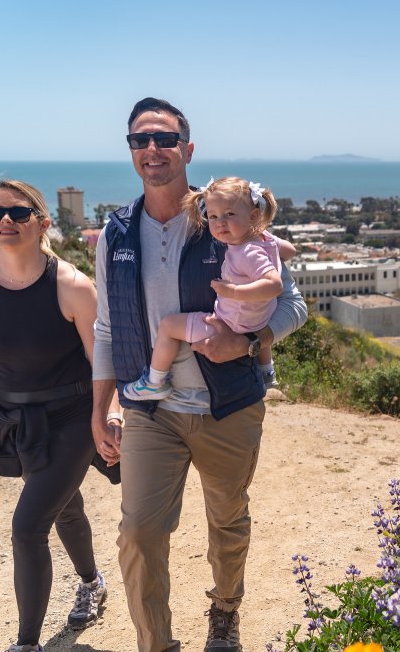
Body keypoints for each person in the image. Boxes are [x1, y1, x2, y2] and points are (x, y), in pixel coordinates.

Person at [91, 97, 307, 652]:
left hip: (227, 404)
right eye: (140, 140)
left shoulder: (227, 216)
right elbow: (108, 329)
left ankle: (225, 609)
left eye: (164, 138)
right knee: (138, 534)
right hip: (150, 409)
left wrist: (252, 340)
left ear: (187, 149)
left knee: (226, 522)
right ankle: (155, 645)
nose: (153, 149)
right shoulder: (115, 234)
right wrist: (103, 406)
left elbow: (294, 305)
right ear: (132, 152)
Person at [0, 179, 114, 652]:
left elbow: (101, 360)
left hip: (73, 416)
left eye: (18, 213)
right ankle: (91, 582)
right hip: (20, 422)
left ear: (42, 223)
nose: (5, 221)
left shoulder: (71, 286)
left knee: (28, 527)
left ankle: (27, 644)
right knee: (64, 504)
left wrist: (107, 417)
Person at [122, 176, 297, 400]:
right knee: (260, 319)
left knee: (168, 326)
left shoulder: (247, 251)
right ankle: (266, 373)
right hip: (257, 320)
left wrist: (232, 291)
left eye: (229, 214)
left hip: (229, 324)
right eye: (212, 216)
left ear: (253, 216)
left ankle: (154, 382)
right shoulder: (265, 239)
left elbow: (273, 285)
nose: (220, 222)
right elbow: (290, 251)